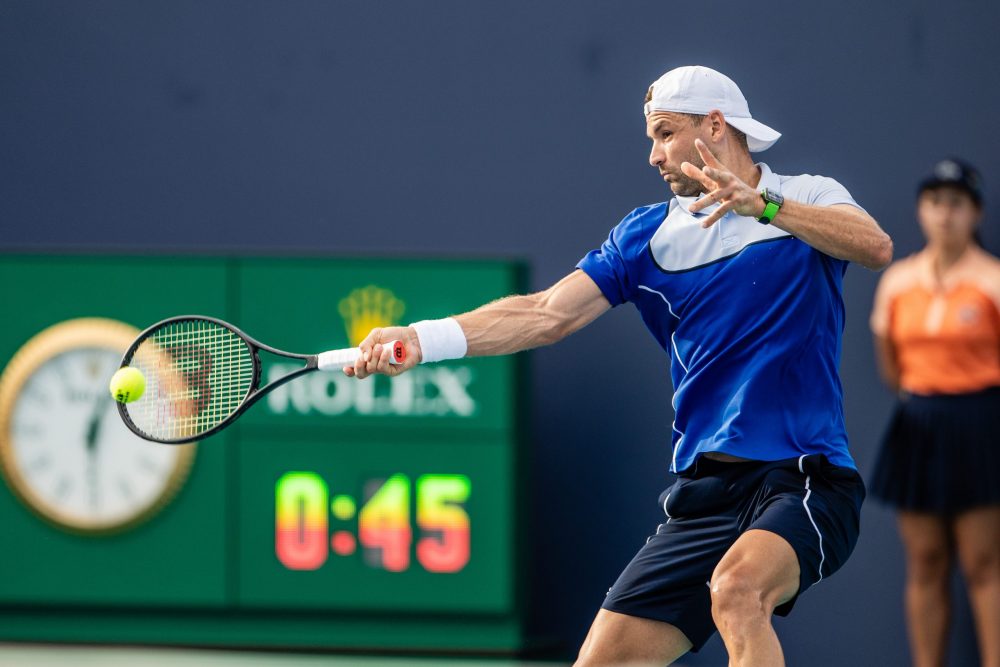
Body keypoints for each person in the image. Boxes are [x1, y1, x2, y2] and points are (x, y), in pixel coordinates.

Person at [345, 65, 892, 666]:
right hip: (706, 492)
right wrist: (421, 339)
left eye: (666, 133)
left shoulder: (808, 194)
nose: (654, 155)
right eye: (652, 137)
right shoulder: (645, 238)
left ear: (715, 126)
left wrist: (763, 205)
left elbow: (874, 246)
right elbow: (546, 314)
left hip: (805, 478)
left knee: (737, 592)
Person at [869, 159, 1000, 667]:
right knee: (925, 560)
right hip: (919, 425)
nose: (945, 214)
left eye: (956, 204)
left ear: (975, 213)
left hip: (980, 425)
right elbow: (891, 364)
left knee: (983, 563)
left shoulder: (992, 280)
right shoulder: (898, 280)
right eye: (935, 202)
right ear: (922, 211)